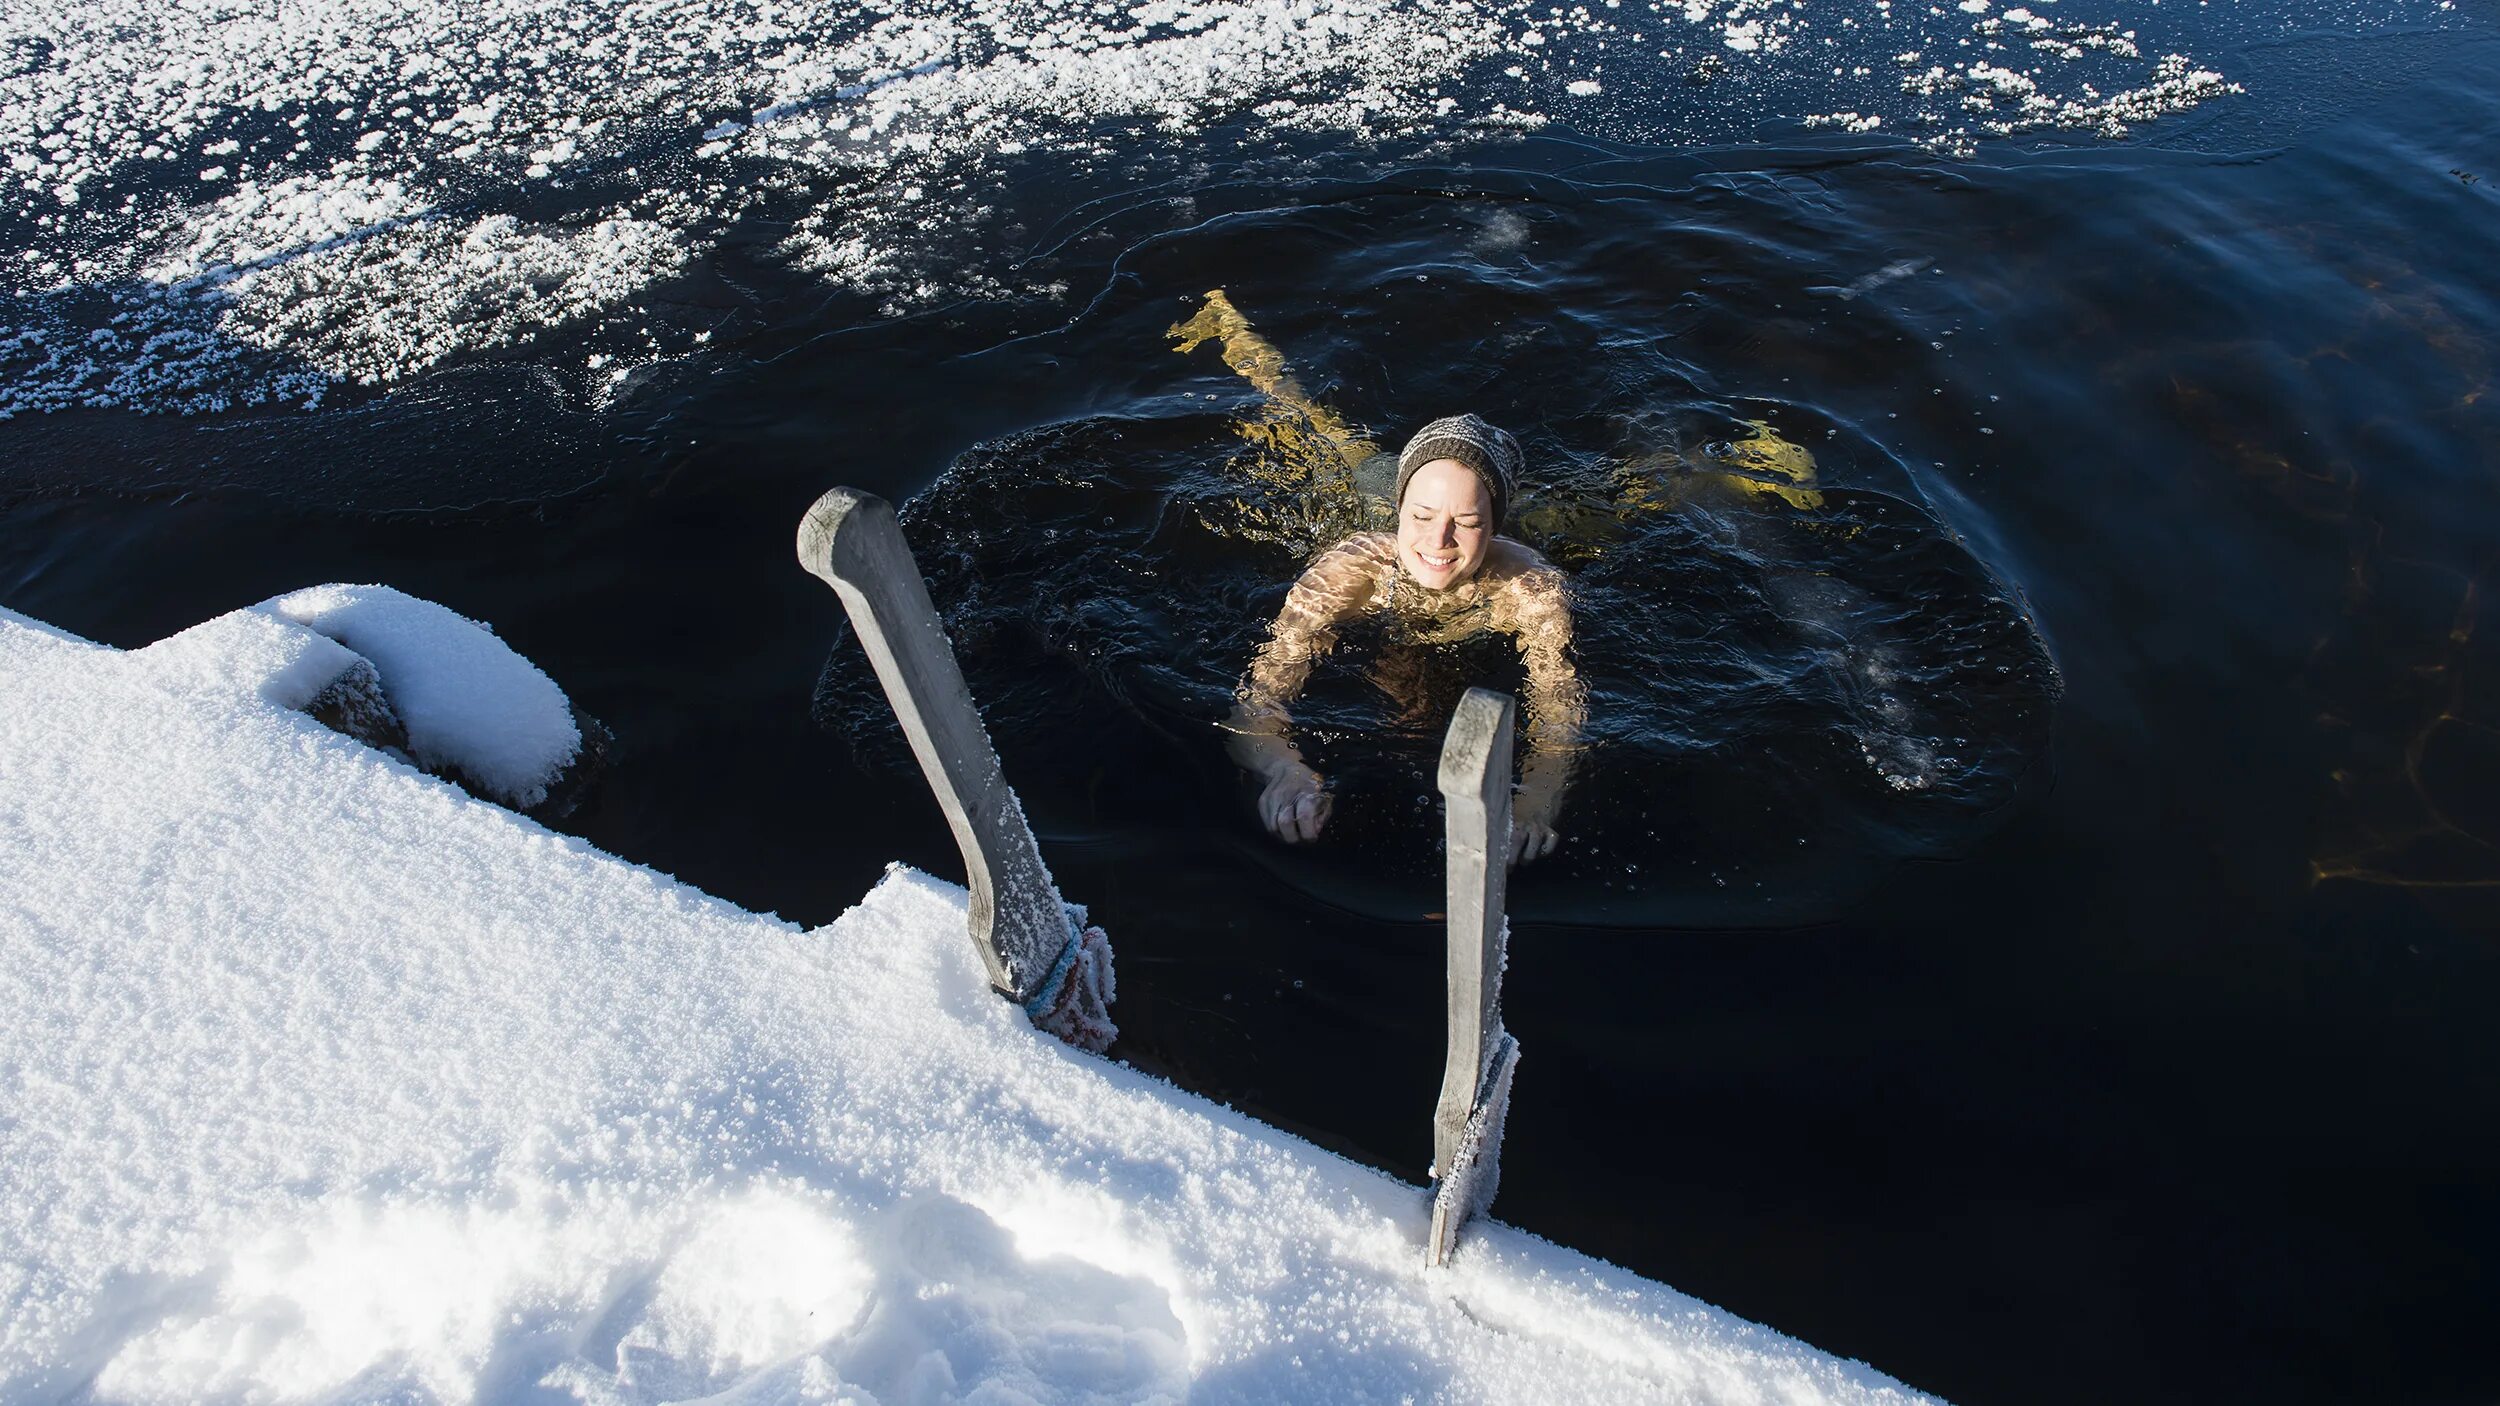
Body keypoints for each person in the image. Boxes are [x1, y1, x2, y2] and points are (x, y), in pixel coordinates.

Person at [1221, 413, 1588, 866]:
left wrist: (1535, 801)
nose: (1439, 539)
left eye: (1468, 521)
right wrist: (1283, 770)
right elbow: (1259, 699)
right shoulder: (1351, 571)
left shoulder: (1530, 588)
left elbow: (1560, 710)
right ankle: (1251, 355)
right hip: (1370, 491)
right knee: (1337, 438)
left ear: (1493, 527)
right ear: (1401, 511)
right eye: (1421, 516)